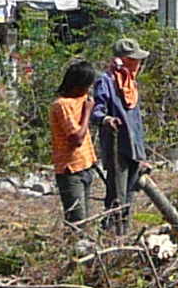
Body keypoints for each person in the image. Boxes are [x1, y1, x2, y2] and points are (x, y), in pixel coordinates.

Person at [90, 37, 147, 225]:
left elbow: (136, 121)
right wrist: (106, 119)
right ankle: (111, 236)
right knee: (117, 197)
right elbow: (96, 111)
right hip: (118, 149)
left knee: (129, 197)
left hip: (134, 149)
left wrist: (141, 154)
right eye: (135, 59)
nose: (138, 63)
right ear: (123, 60)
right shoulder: (106, 81)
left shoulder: (131, 83)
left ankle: (123, 235)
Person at [47, 57, 101, 229]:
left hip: (85, 166)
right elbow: (76, 139)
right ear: (76, 85)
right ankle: (73, 252)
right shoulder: (62, 105)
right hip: (70, 170)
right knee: (77, 223)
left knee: (84, 219)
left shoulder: (82, 100)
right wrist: (87, 113)